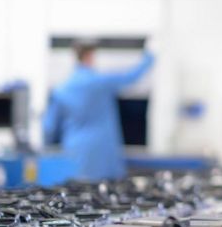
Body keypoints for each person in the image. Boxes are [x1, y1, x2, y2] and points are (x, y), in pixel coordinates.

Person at [43, 40, 154, 181]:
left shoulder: (62, 89)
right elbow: (131, 77)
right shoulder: (100, 82)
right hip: (102, 152)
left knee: (75, 195)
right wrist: (149, 57)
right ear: (90, 56)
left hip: (74, 153)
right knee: (105, 198)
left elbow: (49, 128)